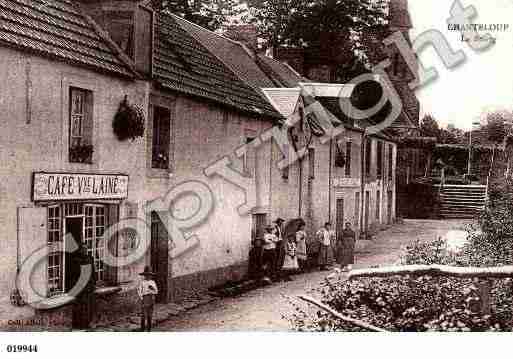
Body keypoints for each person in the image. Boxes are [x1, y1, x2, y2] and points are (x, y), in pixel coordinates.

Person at [71, 245, 96, 330]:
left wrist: (93, 283)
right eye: (83, 249)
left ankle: (88, 323)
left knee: (89, 306)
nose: (85, 251)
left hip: (89, 286)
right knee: (81, 306)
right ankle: (80, 323)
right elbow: (74, 275)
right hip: (81, 287)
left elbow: (93, 272)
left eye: (86, 249)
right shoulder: (76, 260)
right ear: (80, 250)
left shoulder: (90, 258)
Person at [137, 266, 158, 332]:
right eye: (146, 275)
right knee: (143, 314)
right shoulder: (142, 282)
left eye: (149, 275)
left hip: (151, 298)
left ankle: (149, 329)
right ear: (144, 275)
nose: (148, 276)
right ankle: (142, 329)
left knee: (150, 315)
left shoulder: (153, 282)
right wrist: (142, 298)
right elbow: (139, 291)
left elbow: (156, 291)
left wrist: (152, 289)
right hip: (145, 298)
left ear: (151, 276)